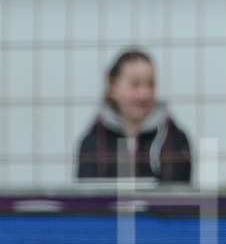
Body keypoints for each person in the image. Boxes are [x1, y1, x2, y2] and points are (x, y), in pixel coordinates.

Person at [76, 49, 192, 182]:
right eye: (135, 85)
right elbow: (87, 197)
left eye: (150, 84)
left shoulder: (175, 139)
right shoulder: (93, 142)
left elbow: (179, 195)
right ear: (113, 87)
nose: (144, 93)